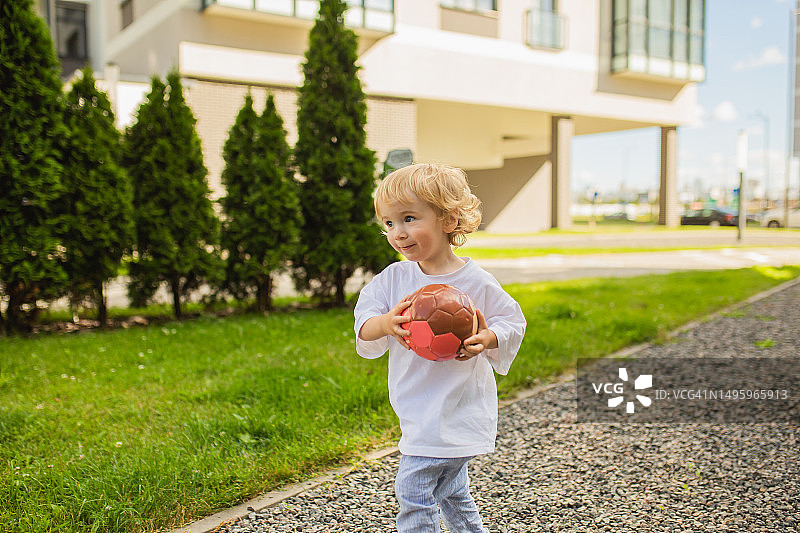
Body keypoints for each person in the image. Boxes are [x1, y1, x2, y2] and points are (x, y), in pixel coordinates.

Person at [353, 163, 527, 533]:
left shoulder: (476, 281)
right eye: (388, 223)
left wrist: (488, 338)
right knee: (451, 489)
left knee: (413, 489)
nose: (398, 233)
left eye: (409, 218)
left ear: (448, 220)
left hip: (458, 408)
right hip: (418, 405)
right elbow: (364, 325)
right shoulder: (394, 279)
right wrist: (385, 323)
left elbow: (512, 321)